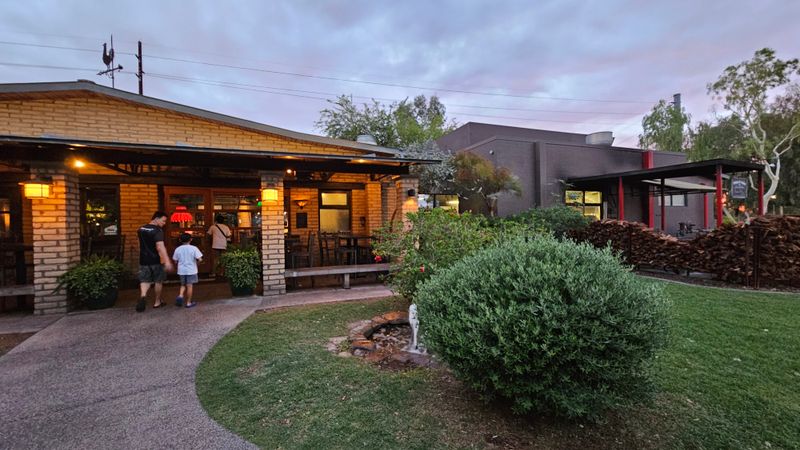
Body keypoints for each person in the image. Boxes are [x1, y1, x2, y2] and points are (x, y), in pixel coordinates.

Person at [137, 211, 174, 312]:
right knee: (158, 281)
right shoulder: (157, 230)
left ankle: (143, 295)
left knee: (145, 280)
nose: (164, 223)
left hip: (144, 259)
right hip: (156, 260)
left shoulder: (141, 229)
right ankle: (157, 302)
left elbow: (139, 245)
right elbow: (160, 247)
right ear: (156, 218)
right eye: (163, 220)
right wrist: (167, 261)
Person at [172, 232, 203, 308]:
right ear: (191, 239)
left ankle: (180, 295)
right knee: (189, 286)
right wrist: (197, 264)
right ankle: (188, 303)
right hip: (191, 270)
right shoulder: (194, 248)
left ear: (180, 240)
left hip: (181, 270)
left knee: (182, 285)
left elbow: (175, 260)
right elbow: (200, 259)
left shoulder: (178, 249)